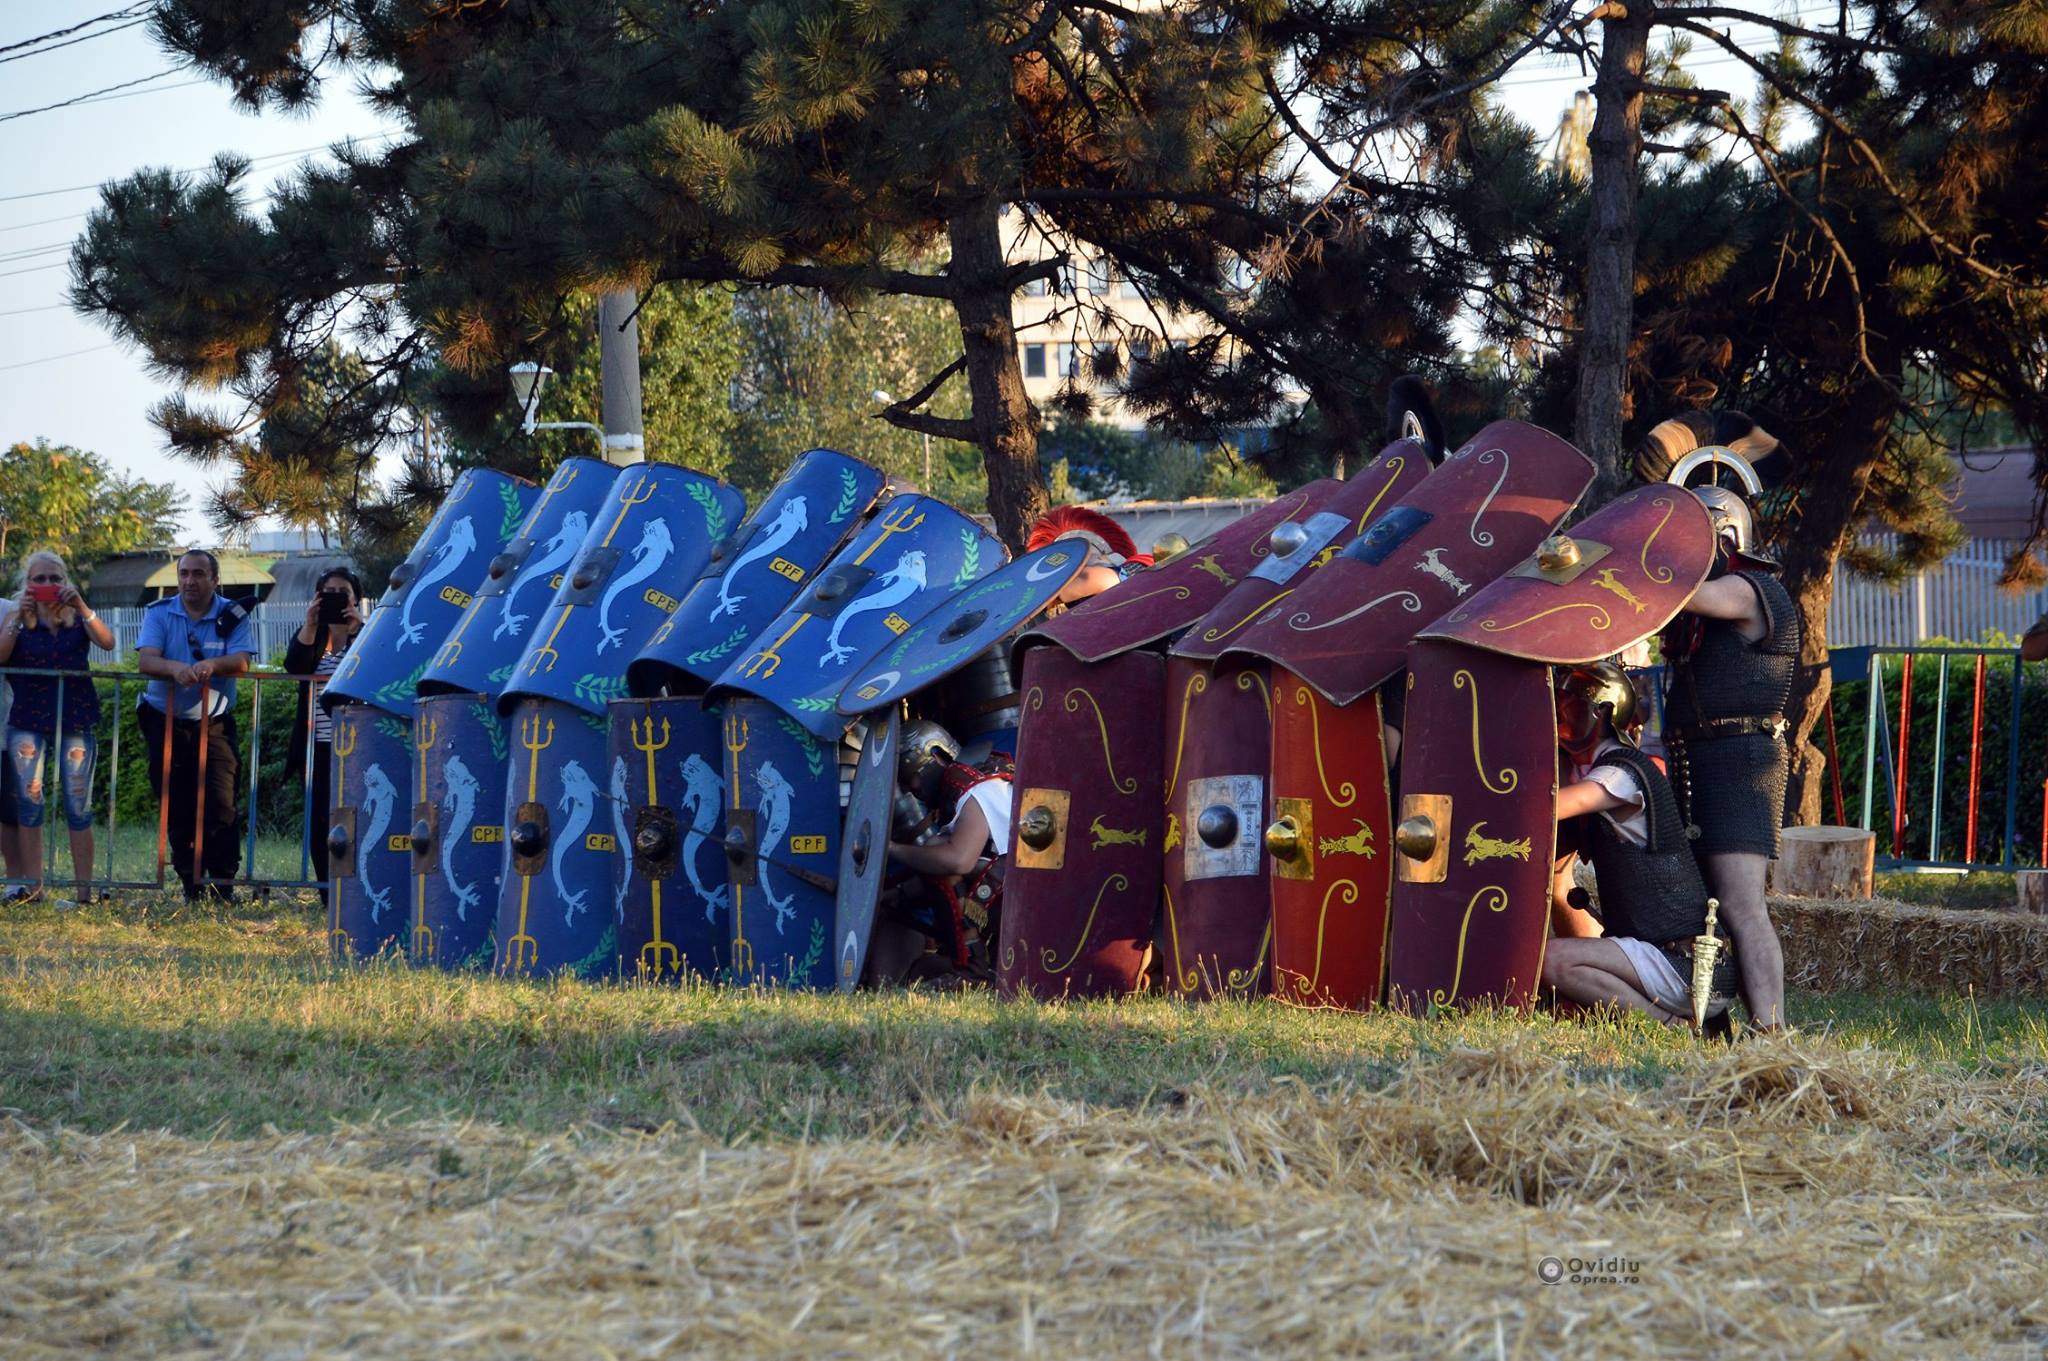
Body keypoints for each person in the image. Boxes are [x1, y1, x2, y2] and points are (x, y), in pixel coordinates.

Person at [1661, 486, 1794, 1030]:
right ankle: (1711, 1021)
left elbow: (1687, 593)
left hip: (1742, 763)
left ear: (1723, 536)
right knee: (1702, 906)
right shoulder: (1700, 615)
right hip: (1700, 761)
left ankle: (1772, 1028)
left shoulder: (1752, 588)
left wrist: (1640, 555)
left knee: (1742, 905)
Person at [1540, 662, 1737, 1025]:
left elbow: (1549, 808)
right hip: (1660, 958)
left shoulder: (1623, 772)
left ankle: (1670, 1028)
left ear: (1602, 712)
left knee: (1552, 961)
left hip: (1685, 964)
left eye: (1567, 701)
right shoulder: (1599, 768)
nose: (1558, 710)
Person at [134, 550, 256, 901]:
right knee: (177, 805)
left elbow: (242, 660)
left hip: (214, 721)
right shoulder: (159, 612)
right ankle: (191, 883)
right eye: (184, 573)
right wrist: (175, 669)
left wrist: (212, 666)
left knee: (221, 801)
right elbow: (146, 660)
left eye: (199, 573)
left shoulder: (233, 613)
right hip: (165, 720)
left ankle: (222, 884)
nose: (190, 581)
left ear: (215, 579)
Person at [0, 552, 114, 905]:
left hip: (75, 718)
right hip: (27, 720)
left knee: (78, 804)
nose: (47, 585)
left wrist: (82, 606)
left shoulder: (77, 617)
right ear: (28, 584)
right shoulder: (18, 618)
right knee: (29, 803)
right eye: (39, 579)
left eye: (54, 578)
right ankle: (33, 889)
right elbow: (1, 656)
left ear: (65, 581)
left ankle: (83, 893)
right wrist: (17, 618)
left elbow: (108, 642)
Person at [874, 719, 1015, 984]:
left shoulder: (979, 787)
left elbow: (959, 860)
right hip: (1014, 888)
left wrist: (891, 849)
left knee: (938, 853)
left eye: (910, 774)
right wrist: (897, 894)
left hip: (1026, 894)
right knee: (934, 855)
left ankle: (972, 972)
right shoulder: (977, 784)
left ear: (936, 755)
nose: (911, 787)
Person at [285, 567, 365, 882]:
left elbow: (370, 670)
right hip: (316, 745)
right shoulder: (312, 634)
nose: (335, 597)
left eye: (343, 592)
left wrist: (358, 630)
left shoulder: (367, 634)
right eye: (327, 592)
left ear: (356, 598)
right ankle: (326, 889)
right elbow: (295, 665)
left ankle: (354, 887)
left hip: (358, 745)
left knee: (357, 816)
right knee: (320, 819)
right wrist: (310, 624)